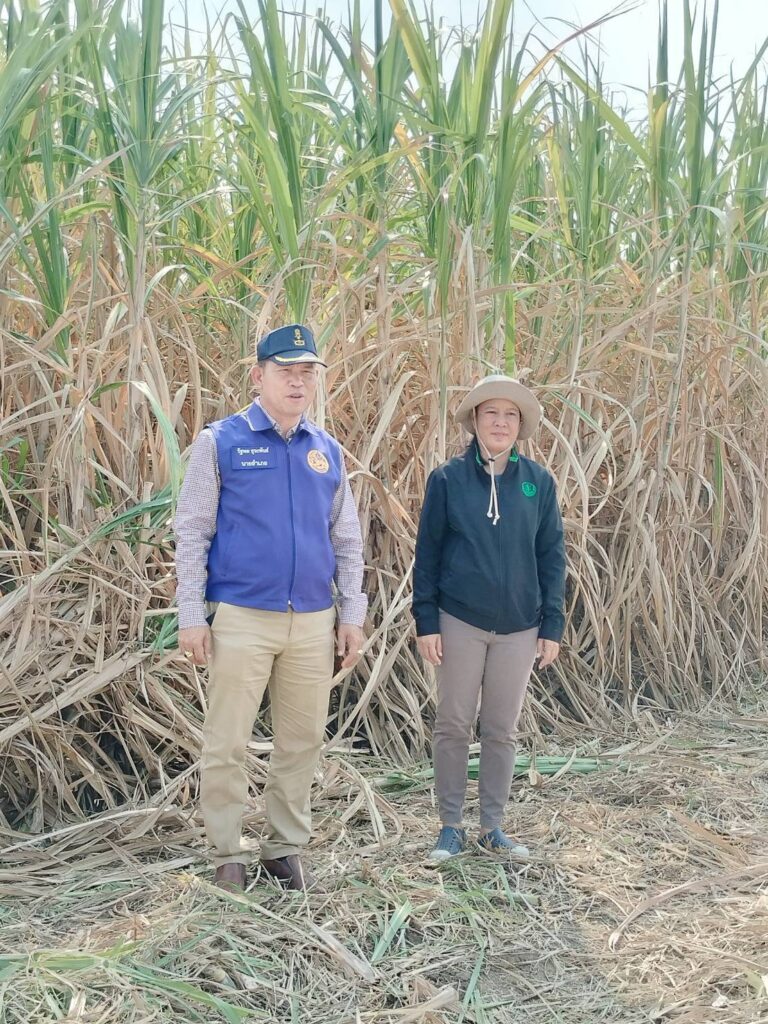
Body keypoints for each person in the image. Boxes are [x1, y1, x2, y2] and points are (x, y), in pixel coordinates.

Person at [174, 324, 367, 892]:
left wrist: (351, 614)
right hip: (242, 616)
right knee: (227, 742)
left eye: (307, 372)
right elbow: (192, 531)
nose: (298, 382)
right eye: (286, 372)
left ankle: (284, 849)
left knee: (301, 742)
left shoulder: (325, 450)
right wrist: (191, 615)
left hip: (312, 619)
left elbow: (347, 539)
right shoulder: (222, 442)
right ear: (258, 377)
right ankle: (227, 853)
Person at [412, 374, 565, 862]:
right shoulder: (448, 480)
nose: (500, 422)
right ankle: (450, 825)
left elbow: (552, 557)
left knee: (501, 728)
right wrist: (426, 620)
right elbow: (427, 555)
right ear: (475, 421)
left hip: (520, 626)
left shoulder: (538, 483)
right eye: (491, 413)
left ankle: (492, 826)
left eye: (510, 415)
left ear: (520, 425)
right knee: (454, 723)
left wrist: (552, 625)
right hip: (459, 620)